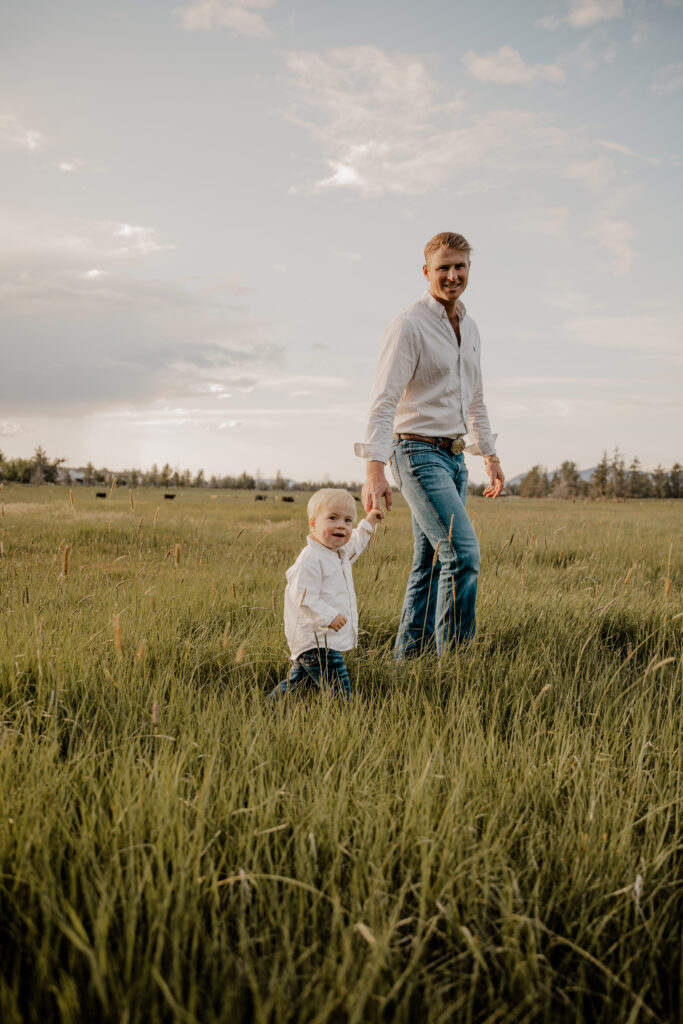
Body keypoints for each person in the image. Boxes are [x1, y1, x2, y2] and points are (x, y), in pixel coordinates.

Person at [356, 231, 504, 658]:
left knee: (432, 563)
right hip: (416, 453)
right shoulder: (409, 325)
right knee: (462, 553)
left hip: (455, 458)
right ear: (427, 272)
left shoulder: (471, 327)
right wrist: (374, 469)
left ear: (469, 270)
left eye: (460, 267)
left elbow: (475, 398)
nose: (452, 275)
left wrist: (489, 454)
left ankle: (409, 663)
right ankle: (455, 667)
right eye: (443, 268)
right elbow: (383, 400)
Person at [268, 488, 384, 701]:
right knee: (339, 687)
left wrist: (369, 521)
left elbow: (356, 542)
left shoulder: (337, 552)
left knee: (298, 683)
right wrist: (329, 616)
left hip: (320, 640)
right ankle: (346, 716)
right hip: (316, 639)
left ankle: (272, 705)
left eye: (348, 520)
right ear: (313, 524)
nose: (342, 525)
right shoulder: (311, 558)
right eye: (333, 518)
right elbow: (303, 596)